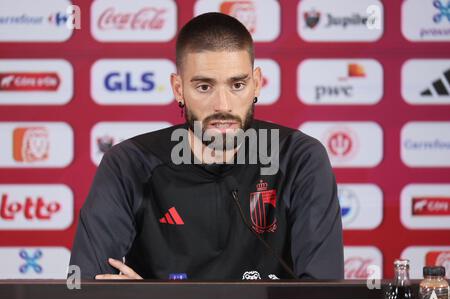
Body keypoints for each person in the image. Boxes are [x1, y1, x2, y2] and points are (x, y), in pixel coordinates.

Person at [69, 12, 344, 280]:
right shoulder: (129, 163)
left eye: (237, 85)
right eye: (204, 87)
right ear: (179, 90)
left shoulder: (299, 158)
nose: (222, 106)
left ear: (257, 84)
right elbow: (90, 287)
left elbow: (323, 291)